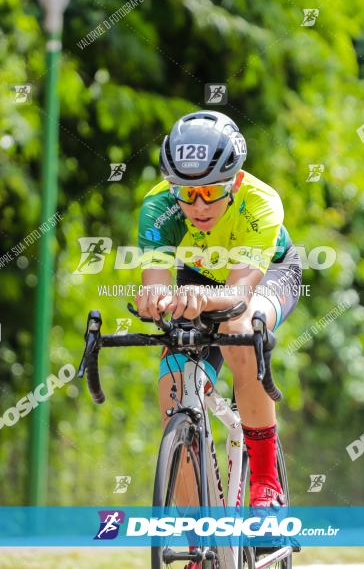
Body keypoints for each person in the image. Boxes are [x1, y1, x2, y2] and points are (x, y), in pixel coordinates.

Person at [135, 111, 302, 520]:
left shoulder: (260, 203)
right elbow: (156, 280)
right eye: (185, 192)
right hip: (197, 278)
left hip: (266, 276)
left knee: (238, 326)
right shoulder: (159, 206)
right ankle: (200, 543)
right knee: (172, 382)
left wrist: (196, 296)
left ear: (235, 180)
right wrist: (153, 297)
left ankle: (266, 481)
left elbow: (238, 294)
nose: (197, 205)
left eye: (211, 192)